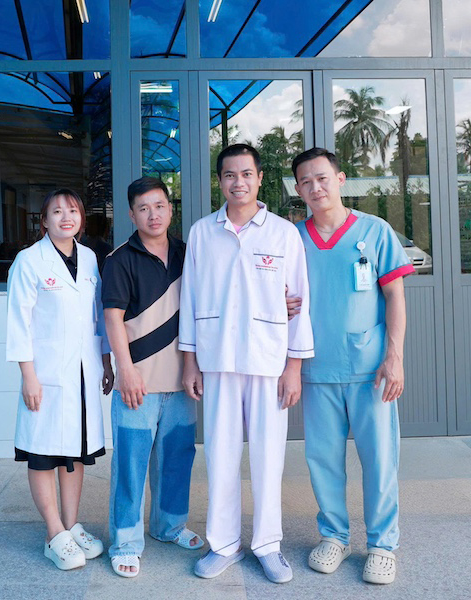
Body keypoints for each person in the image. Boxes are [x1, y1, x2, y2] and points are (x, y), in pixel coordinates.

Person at [179, 144, 314, 584]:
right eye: (229, 175)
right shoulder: (202, 233)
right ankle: (224, 544)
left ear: (260, 179)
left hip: (268, 361)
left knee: (268, 458)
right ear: (220, 181)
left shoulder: (283, 234)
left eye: (246, 174)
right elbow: (190, 299)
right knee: (220, 456)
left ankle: (268, 545)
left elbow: (301, 303)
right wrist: (190, 362)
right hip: (217, 359)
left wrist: (293, 368)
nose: (238, 182)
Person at [291, 148, 414, 585]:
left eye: (322, 178)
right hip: (317, 368)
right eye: (306, 182)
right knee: (322, 459)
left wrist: (394, 357)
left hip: (370, 368)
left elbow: (395, 296)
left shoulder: (375, 231)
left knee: (379, 459)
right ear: (298, 189)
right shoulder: (294, 239)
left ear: (340, 179)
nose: (316, 187)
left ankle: (381, 545)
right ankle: (334, 536)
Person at [6, 188, 114, 571]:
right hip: (46, 374)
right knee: (43, 452)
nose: (66, 217)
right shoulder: (28, 261)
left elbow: (98, 316)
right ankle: (54, 534)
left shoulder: (90, 258)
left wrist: (106, 361)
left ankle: (71, 525)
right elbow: (18, 322)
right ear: (44, 220)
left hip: (83, 372)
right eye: (57, 211)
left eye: (73, 211)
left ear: (81, 218)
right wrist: (28, 376)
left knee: (75, 451)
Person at [101, 177, 203, 578]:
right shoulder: (120, 259)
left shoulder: (187, 253)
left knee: (177, 458)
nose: (153, 214)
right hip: (138, 383)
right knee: (131, 465)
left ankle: (169, 526)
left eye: (159, 206)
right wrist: (124, 370)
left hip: (181, 380)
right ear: (131, 215)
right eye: (143, 208)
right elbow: (112, 318)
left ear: (170, 209)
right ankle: (126, 541)